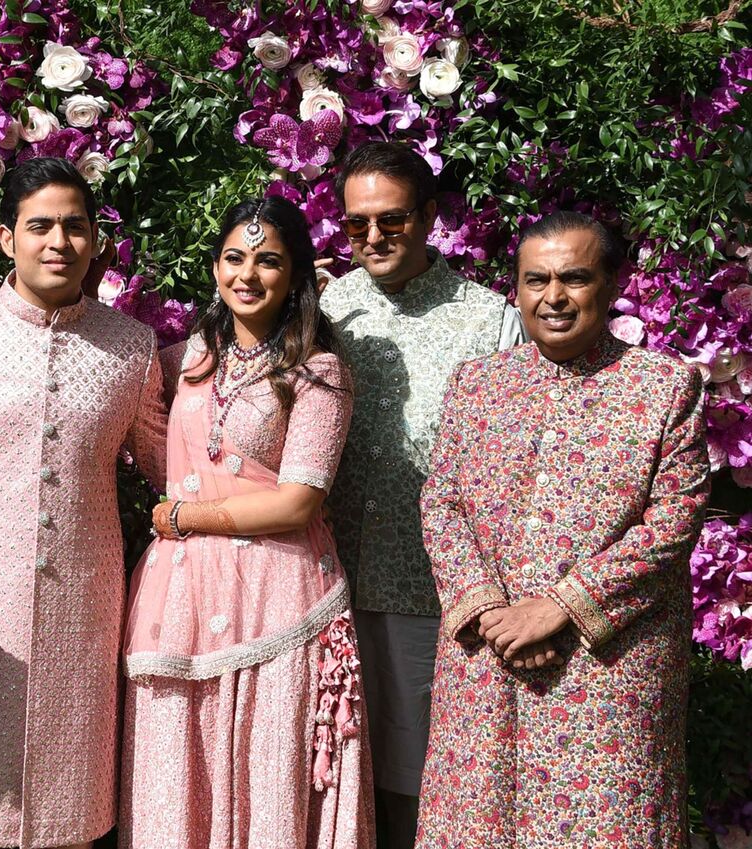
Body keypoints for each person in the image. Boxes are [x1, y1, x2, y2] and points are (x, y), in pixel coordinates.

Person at [416, 212, 708, 847]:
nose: (553, 296)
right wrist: (494, 614)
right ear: (516, 288)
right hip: (486, 659)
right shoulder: (478, 384)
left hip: (606, 668)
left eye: (574, 278)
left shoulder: (663, 387)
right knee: (478, 822)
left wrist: (560, 608)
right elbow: (441, 501)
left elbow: (674, 519)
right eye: (535, 279)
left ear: (610, 284)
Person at [0, 157, 167, 849]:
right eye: (41, 226)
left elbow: (173, 467)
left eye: (75, 227)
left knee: (70, 815)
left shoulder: (131, 346)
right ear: (5, 238)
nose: (59, 242)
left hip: (84, 617)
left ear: (95, 241)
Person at [120, 197, 373, 848]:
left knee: (271, 773)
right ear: (214, 268)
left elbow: (298, 501)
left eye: (268, 261)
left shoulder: (319, 370)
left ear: (296, 275)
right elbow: (146, 432)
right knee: (177, 766)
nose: (248, 274)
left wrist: (187, 515)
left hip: (281, 603)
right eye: (234, 258)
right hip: (179, 598)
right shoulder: (186, 359)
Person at [316, 141, 526, 848]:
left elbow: (505, 467)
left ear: (430, 217)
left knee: (416, 785)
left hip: (428, 593)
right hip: (327, 582)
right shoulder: (328, 305)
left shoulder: (488, 319)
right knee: (331, 774)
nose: (372, 237)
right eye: (355, 224)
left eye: (392, 220)